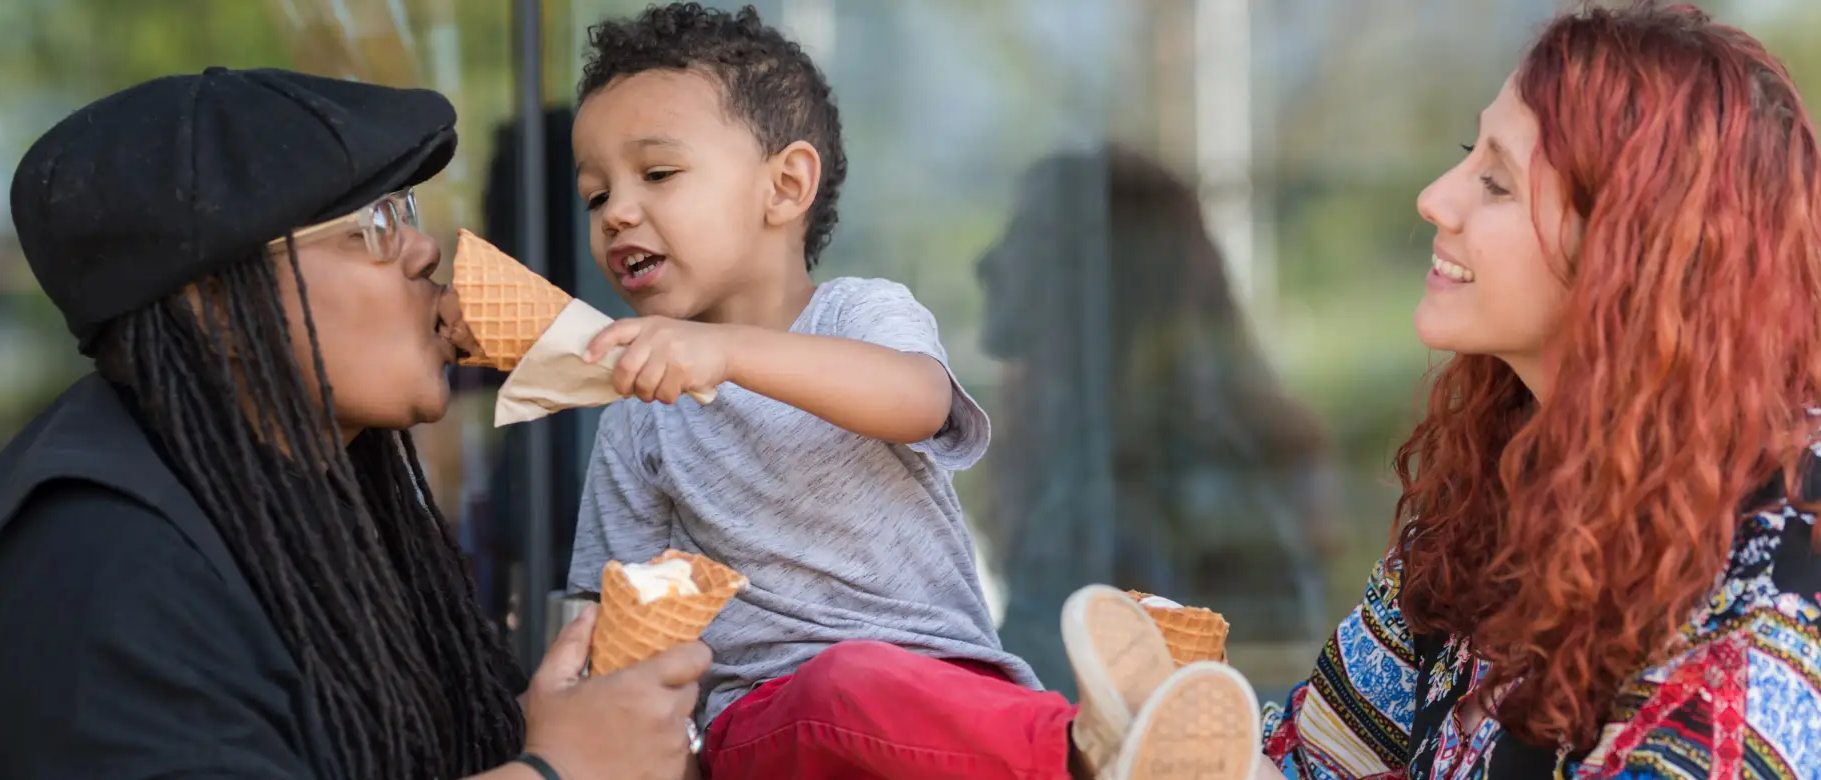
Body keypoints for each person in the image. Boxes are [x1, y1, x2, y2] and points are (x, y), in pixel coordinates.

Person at [0, 66, 709, 780]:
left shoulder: (273, 514)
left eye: (406, 213)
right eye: (373, 226)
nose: (424, 250)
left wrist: (531, 740)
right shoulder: (104, 564)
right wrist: (557, 774)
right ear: (212, 306)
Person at [563, 4, 1260, 779]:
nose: (618, 212)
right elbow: (617, 613)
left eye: (656, 174)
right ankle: (1099, 751)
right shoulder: (637, 412)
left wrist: (724, 353)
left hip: (957, 691)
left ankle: (1121, 745)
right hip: (773, 721)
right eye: (596, 195)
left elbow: (918, 401)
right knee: (842, 683)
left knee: (876, 681)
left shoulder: (862, 312)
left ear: (786, 185)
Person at [1173, 3, 1821, 777]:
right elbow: (1313, 764)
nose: (1436, 199)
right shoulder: (1493, 498)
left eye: (1497, 183)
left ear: (1632, 250)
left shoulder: (1789, 570)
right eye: (1464, 155)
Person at [977, 146, 1339, 700]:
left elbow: (1224, 687)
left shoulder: (1173, 464)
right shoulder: (1077, 448)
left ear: (1102, 277)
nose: (989, 262)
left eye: (1028, 237)